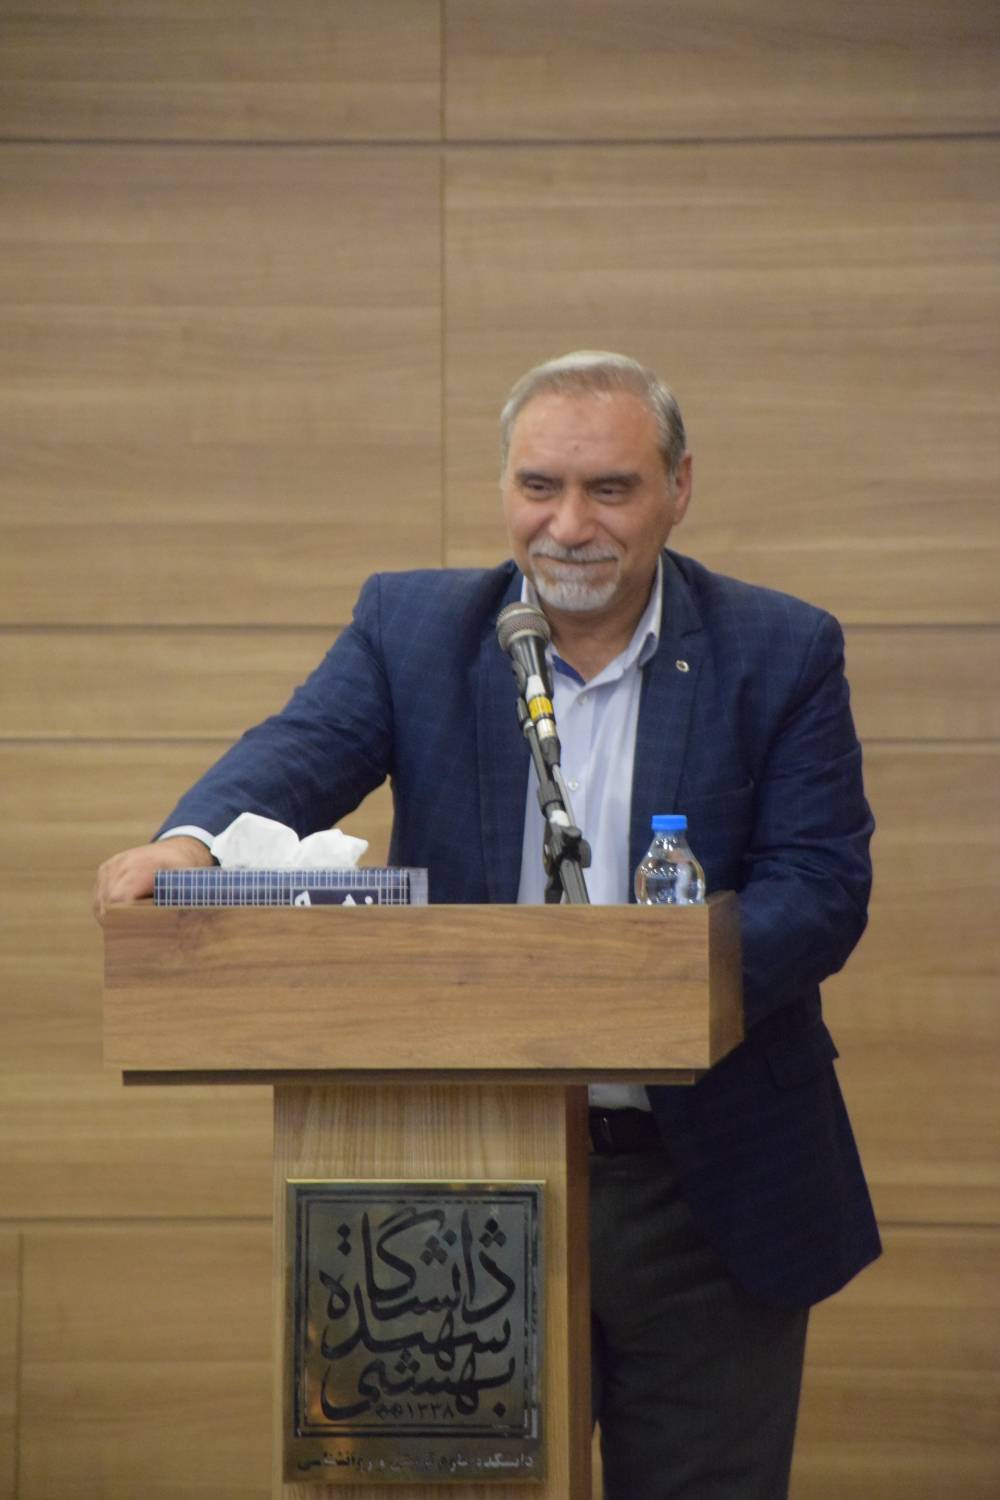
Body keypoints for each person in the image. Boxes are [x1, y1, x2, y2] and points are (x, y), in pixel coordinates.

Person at [94, 351, 880, 1498]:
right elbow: (301, 751)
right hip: (447, 1174)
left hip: (703, 1189)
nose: (569, 525)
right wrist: (191, 844)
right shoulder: (415, 626)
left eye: (609, 489)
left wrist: (651, 988)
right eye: (538, 487)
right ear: (504, 487)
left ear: (677, 488)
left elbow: (819, 890)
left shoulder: (780, 648)